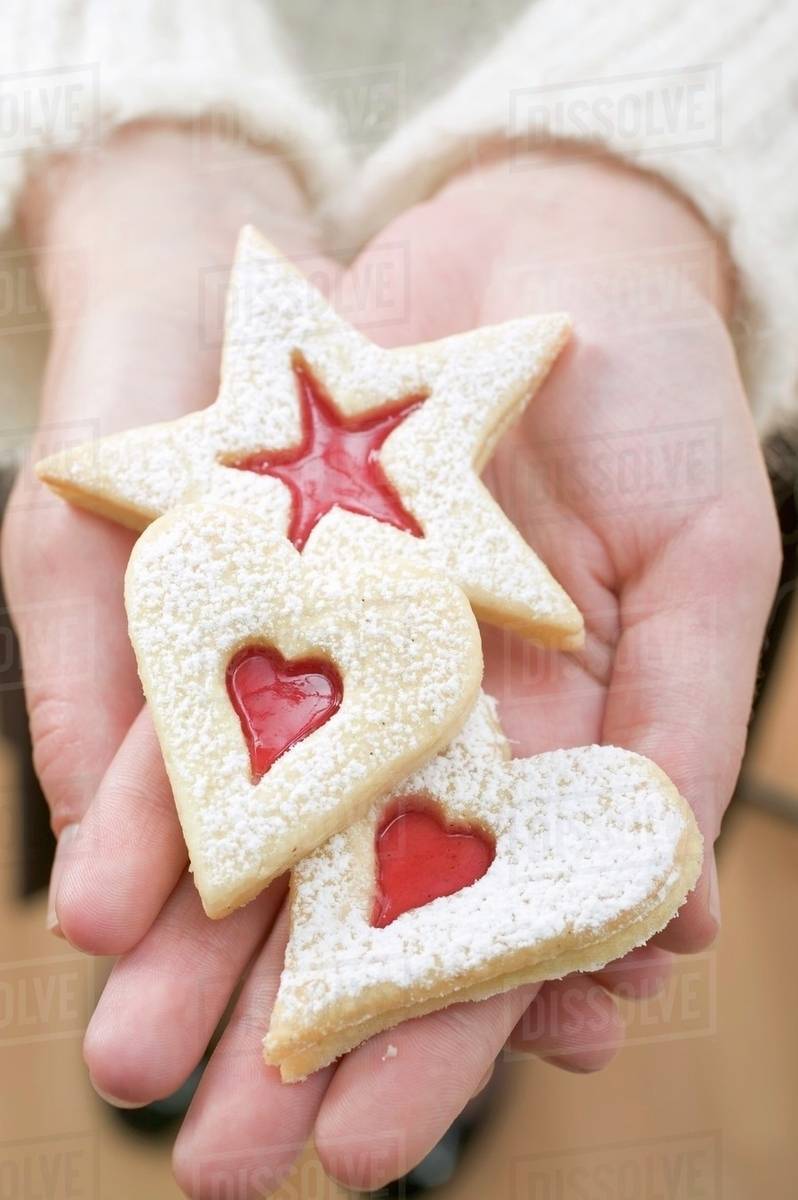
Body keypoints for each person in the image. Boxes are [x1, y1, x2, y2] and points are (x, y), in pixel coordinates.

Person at [0, 2, 792, 1195]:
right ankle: (246, 967)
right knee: (130, 740)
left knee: (547, 800)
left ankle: (422, 963)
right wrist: (117, 150)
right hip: (113, 306)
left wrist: (658, 161)